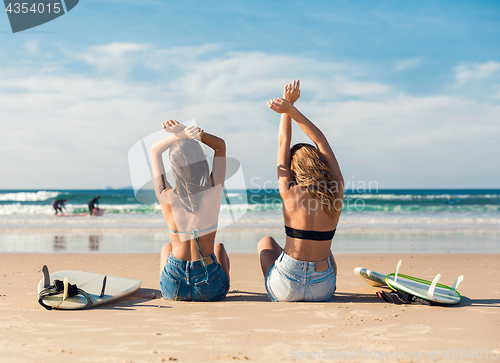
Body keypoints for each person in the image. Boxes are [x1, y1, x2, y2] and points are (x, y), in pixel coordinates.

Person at [257, 80, 344, 302]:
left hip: (285, 285)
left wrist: (286, 109)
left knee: (265, 243)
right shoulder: (336, 189)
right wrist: (292, 109)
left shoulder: (289, 191)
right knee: (327, 253)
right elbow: (319, 139)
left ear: (294, 168)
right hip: (322, 289)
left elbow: (282, 143)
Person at [150, 120, 230, 301]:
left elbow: (155, 151)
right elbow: (220, 146)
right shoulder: (213, 192)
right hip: (210, 286)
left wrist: (181, 134)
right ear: (202, 164)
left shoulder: (164, 195)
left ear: (174, 168)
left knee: (166, 248)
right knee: (220, 249)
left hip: (173, 286)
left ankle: (172, 286)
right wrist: (192, 133)